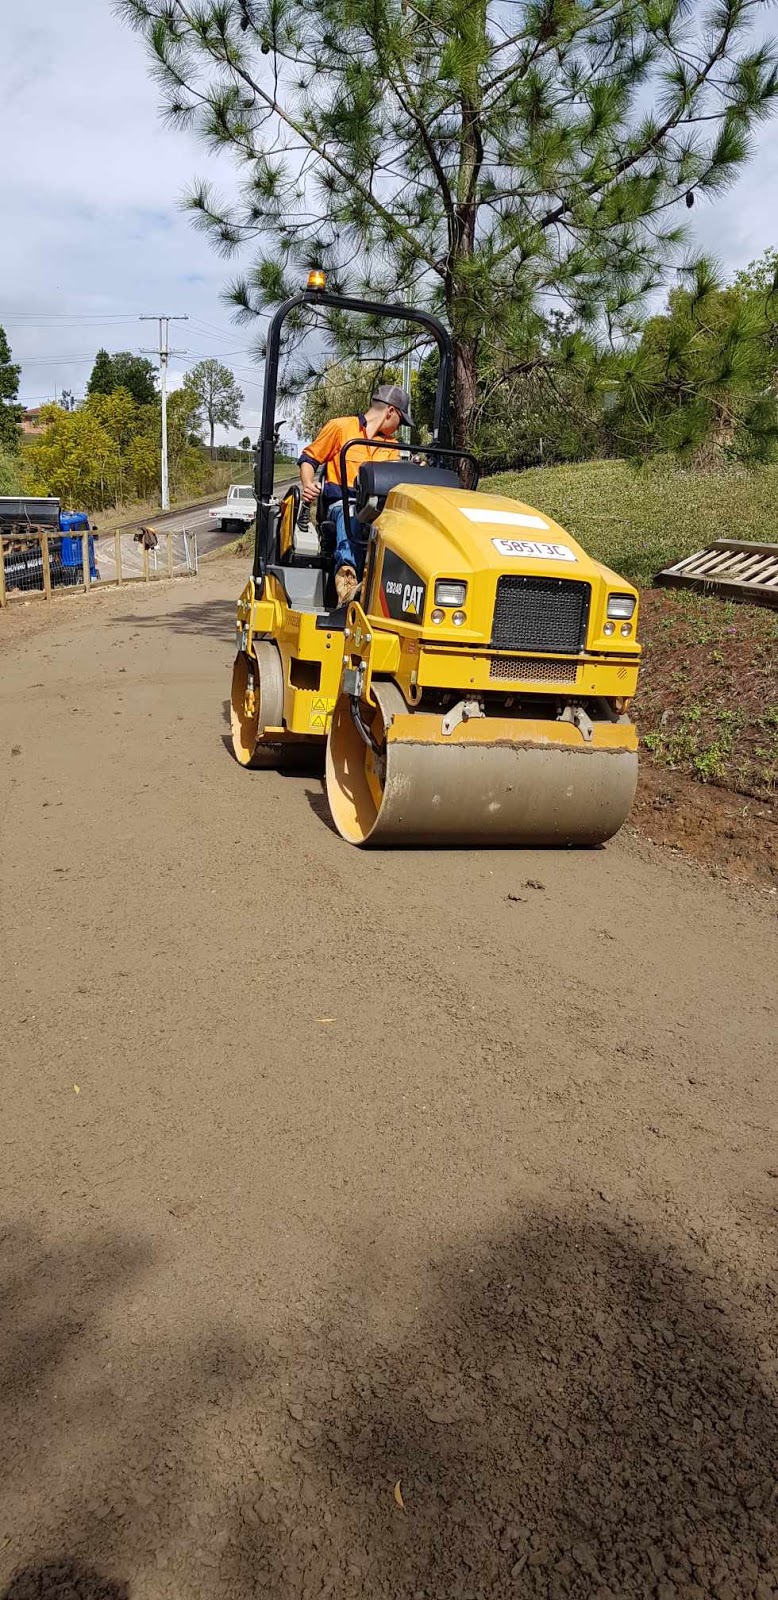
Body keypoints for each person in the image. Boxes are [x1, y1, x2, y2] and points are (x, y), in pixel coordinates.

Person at [298, 384, 413, 604]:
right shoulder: (340, 428)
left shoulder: (393, 446)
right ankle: (347, 583)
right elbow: (309, 459)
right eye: (401, 420)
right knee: (350, 513)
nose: (399, 429)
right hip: (341, 504)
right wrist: (308, 484)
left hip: (376, 509)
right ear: (390, 412)